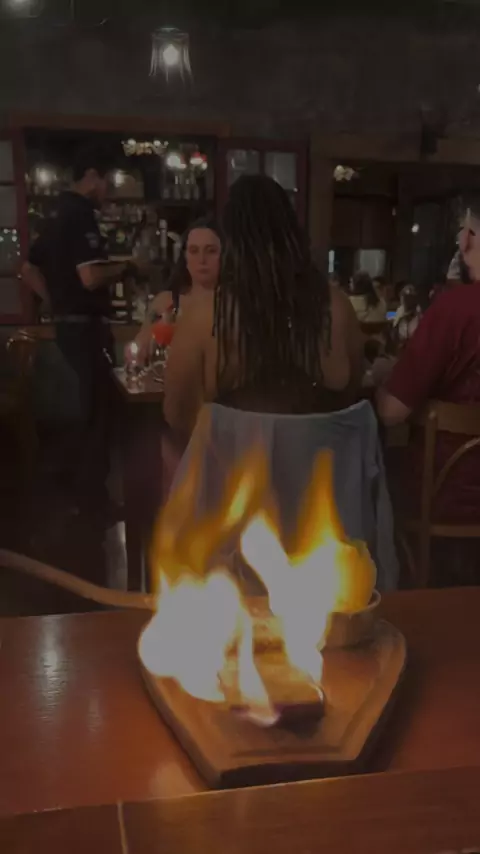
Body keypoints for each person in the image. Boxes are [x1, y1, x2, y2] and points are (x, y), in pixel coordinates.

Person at [163, 174, 363, 440]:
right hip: (322, 462)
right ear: (293, 234)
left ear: (230, 242)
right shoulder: (337, 306)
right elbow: (351, 396)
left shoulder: (205, 315)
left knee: (168, 446)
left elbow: (177, 415)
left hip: (236, 465)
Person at [22, 145, 137, 538]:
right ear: (91, 176)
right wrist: (127, 266)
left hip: (66, 329)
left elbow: (27, 268)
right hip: (86, 329)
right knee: (99, 415)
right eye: (107, 183)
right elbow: (90, 277)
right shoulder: (80, 213)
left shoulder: (55, 212)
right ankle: (93, 505)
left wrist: (54, 301)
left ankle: (80, 499)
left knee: (86, 412)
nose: (108, 192)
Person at [377, 196, 480, 523]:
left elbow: (391, 412)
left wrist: (382, 381)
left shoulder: (455, 309)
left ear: (468, 239)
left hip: (450, 497)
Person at [132, 218, 222, 363]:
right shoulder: (166, 302)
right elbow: (139, 350)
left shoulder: (233, 305)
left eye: (210, 251)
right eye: (194, 251)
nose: (202, 259)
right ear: (185, 256)